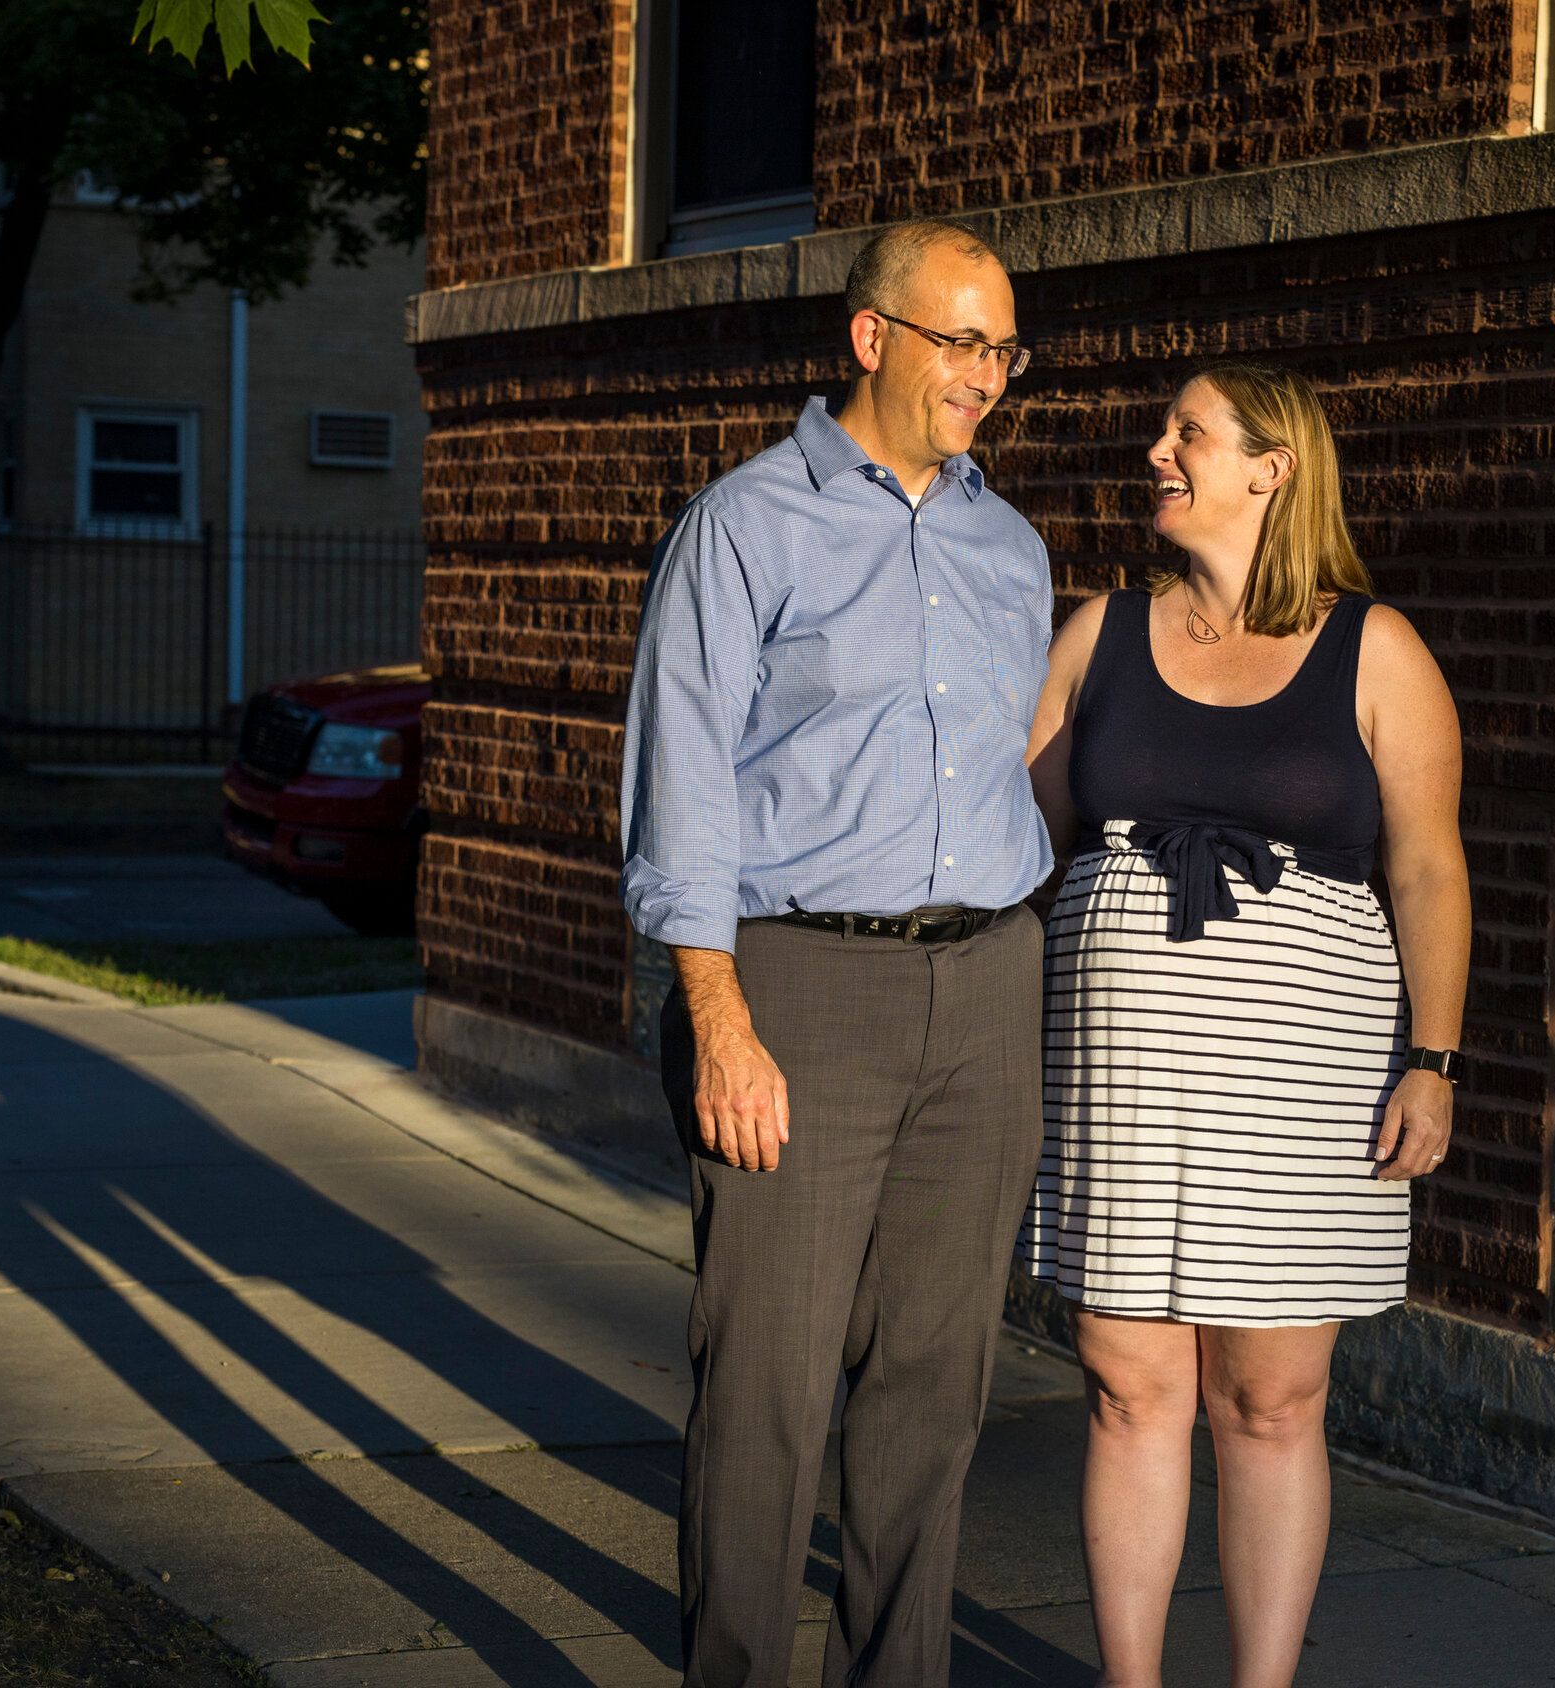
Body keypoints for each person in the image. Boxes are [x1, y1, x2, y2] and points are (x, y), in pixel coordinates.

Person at [620, 219, 1053, 1688]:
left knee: (936, 1388)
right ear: (872, 337)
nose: (986, 376)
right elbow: (680, 783)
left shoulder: (1012, 544)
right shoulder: (746, 526)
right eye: (961, 342)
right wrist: (720, 1019)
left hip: (988, 985)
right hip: (798, 987)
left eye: (1005, 348)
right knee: (769, 1389)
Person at [1016, 363, 1469, 1688]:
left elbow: (1430, 869)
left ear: (1273, 468)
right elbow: (1008, 841)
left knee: (1268, 1404)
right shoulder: (1097, 636)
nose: (1157, 449)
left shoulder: (1374, 649)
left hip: (1303, 1090)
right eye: (1167, 431)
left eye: (1189, 433)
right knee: (1129, 1390)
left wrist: (1431, 1063)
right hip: (1125, 1080)